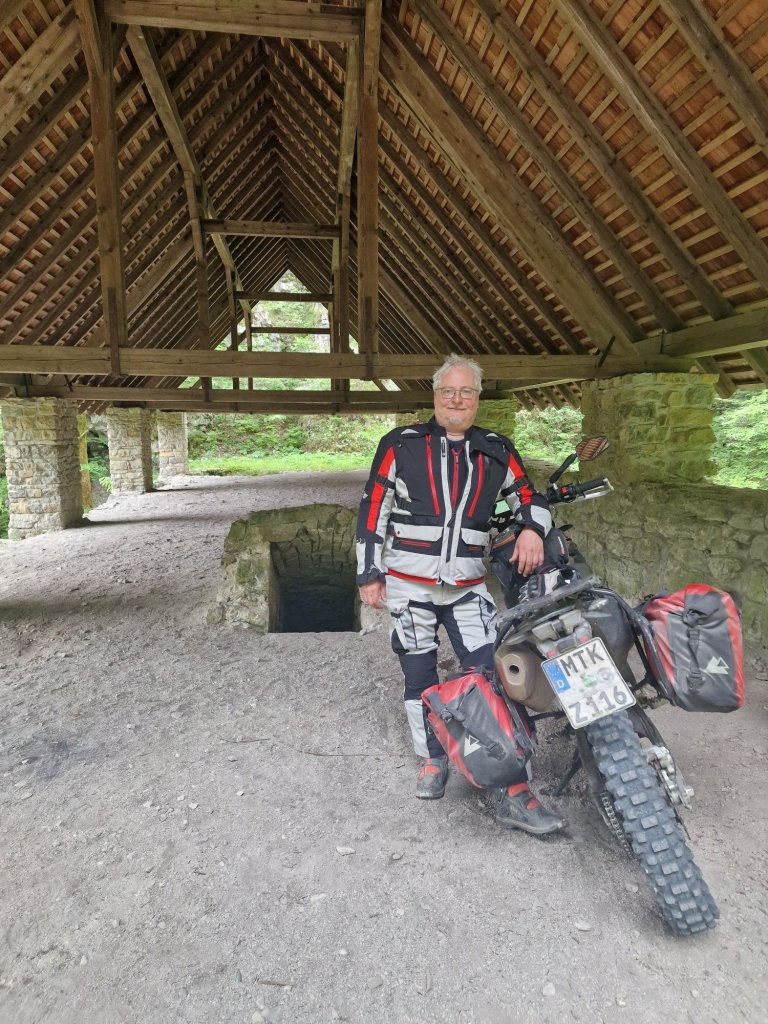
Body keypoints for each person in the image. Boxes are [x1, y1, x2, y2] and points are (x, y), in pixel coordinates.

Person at [356, 354, 566, 836]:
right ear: (435, 396)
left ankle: (510, 783)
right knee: (419, 677)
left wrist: (532, 530)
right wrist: (369, 573)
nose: (456, 399)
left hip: (468, 587)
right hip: (409, 582)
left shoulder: (496, 449)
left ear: (477, 398)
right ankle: (433, 759)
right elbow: (373, 509)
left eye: (466, 391)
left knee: (489, 675)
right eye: (448, 391)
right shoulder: (401, 444)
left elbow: (530, 498)